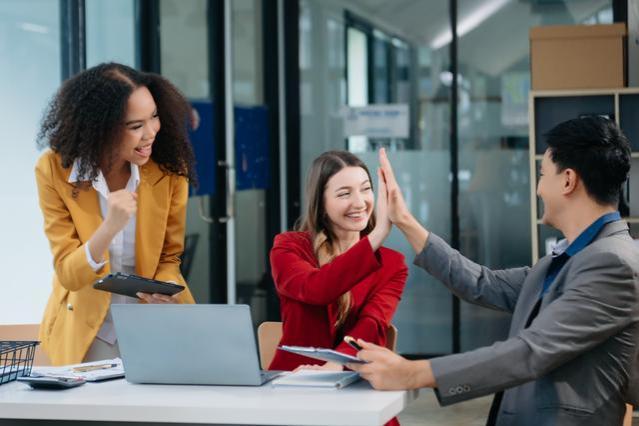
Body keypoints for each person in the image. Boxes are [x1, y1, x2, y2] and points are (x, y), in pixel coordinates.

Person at [349, 117, 639, 426]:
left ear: (568, 180)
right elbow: (481, 283)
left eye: (542, 175)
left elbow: (531, 351)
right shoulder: (567, 259)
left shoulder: (613, 263)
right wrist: (405, 220)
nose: (539, 189)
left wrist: (412, 373)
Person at [35, 63, 197, 366]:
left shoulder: (170, 171)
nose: (151, 133)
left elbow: (169, 257)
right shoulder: (54, 169)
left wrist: (162, 289)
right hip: (88, 331)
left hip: (158, 324)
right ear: (100, 127)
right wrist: (109, 227)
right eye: (135, 126)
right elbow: (69, 273)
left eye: (154, 117)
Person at [268, 151, 407, 373]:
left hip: (356, 381)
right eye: (344, 194)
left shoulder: (393, 264)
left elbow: (372, 324)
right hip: (292, 381)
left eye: (366, 189)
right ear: (321, 203)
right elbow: (317, 289)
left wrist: (335, 365)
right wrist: (378, 233)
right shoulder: (289, 247)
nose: (359, 202)